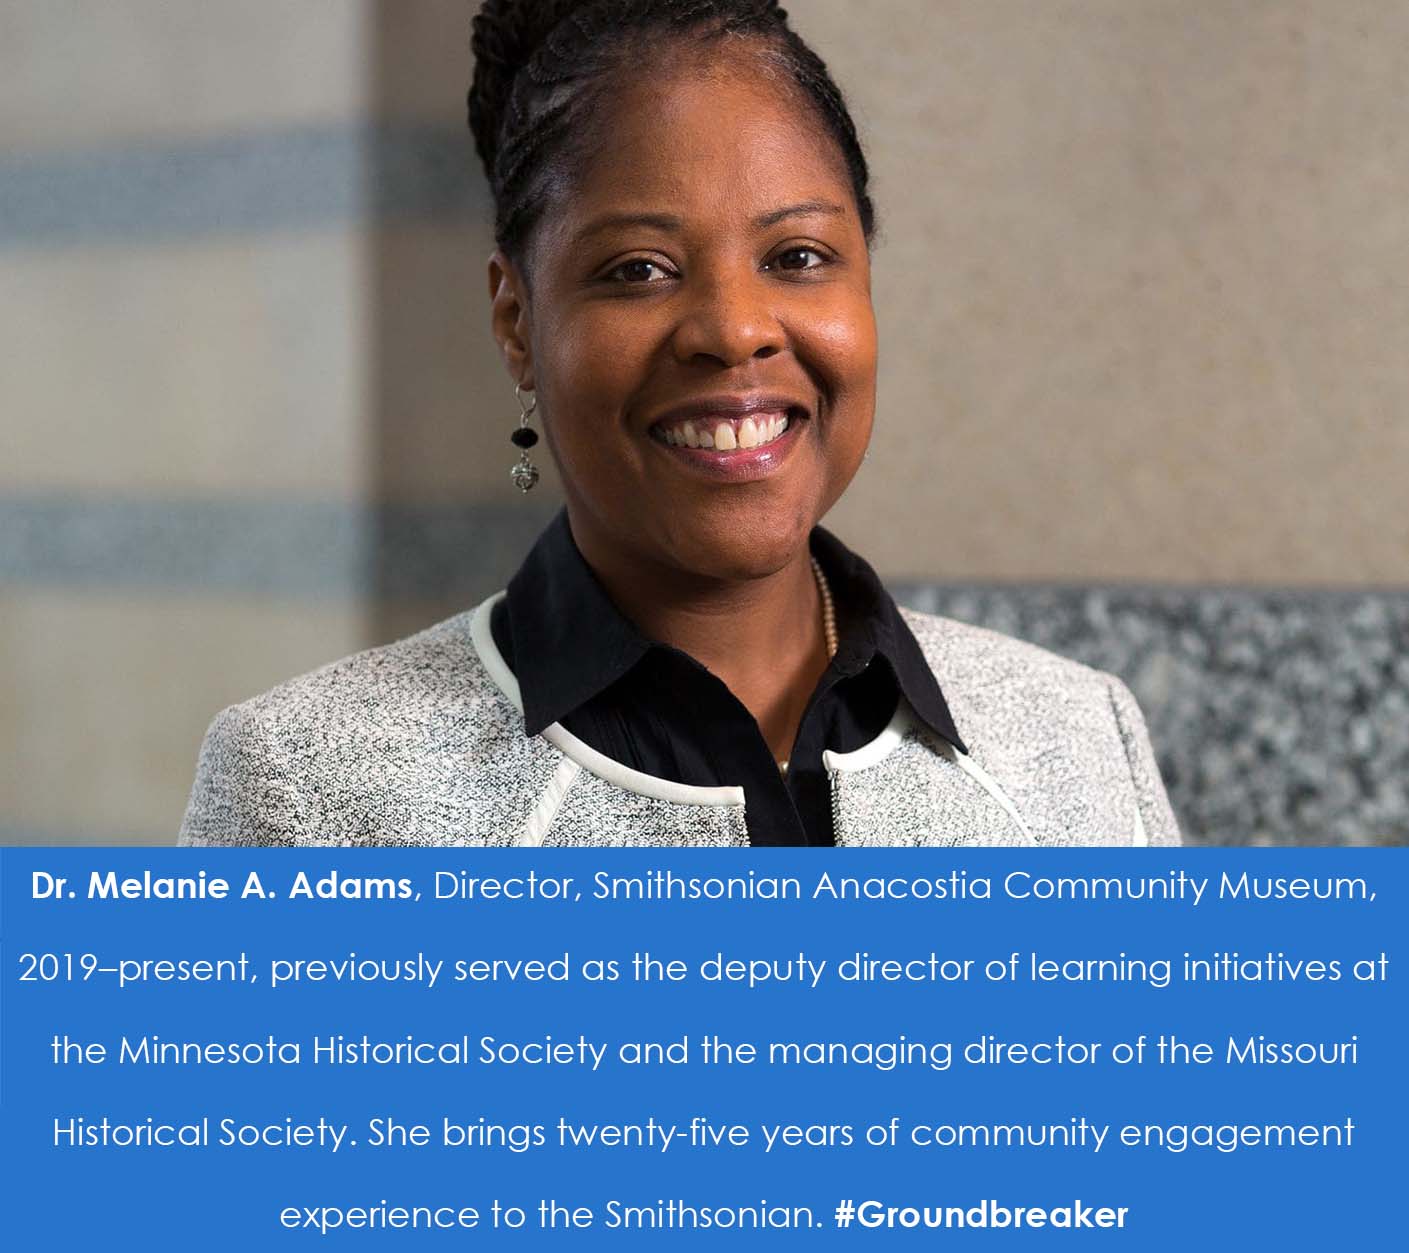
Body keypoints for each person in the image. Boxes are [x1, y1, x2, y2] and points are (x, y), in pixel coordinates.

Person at [180, 0, 1179, 848]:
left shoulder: (1076, 739)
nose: (734, 330)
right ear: (517, 323)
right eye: (637, 270)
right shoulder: (309, 791)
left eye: (796, 256)